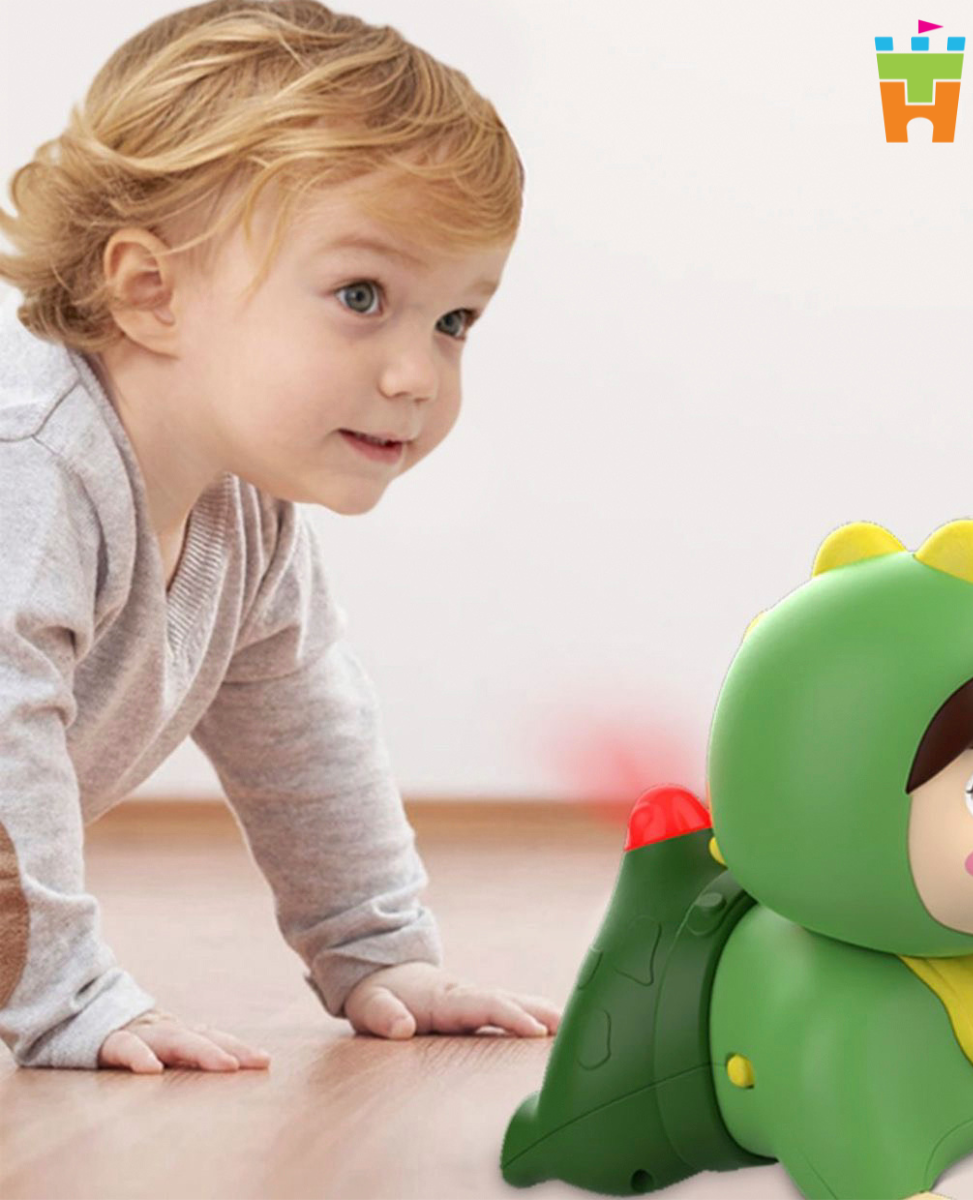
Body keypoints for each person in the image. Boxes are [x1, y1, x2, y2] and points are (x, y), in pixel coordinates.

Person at [0, 0, 560, 1073]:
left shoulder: (241, 508)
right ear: (152, 292)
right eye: (362, 295)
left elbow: (302, 724)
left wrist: (378, 950)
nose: (418, 374)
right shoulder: (29, 462)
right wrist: (67, 999)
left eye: (454, 321)